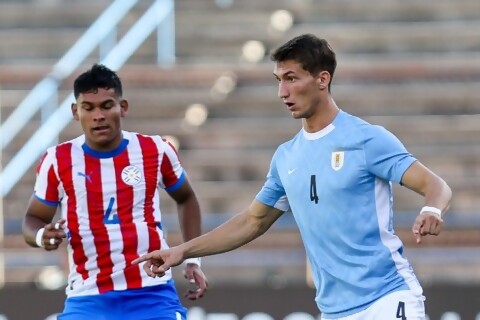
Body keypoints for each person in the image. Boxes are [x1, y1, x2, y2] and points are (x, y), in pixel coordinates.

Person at [133, 34, 452, 320]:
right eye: (278, 80)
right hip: (333, 311)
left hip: (388, 298)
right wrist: (182, 251)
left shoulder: (366, 139)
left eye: (291, 78)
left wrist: (431, 209)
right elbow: (251, 222)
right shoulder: (286, 157)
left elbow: (435, 185)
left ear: (322, 79)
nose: (281, 92)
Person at [22, 64, 208, 320]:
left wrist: (192, 259)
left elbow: (186, 198)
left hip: (151, 292)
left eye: (106, 105)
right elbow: (32, 219)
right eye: (89, 108)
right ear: (76, 112)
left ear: (123, 107)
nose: (98, 115)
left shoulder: (154, 150)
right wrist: (43, 235)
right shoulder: (58, 160)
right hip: (88, 297)